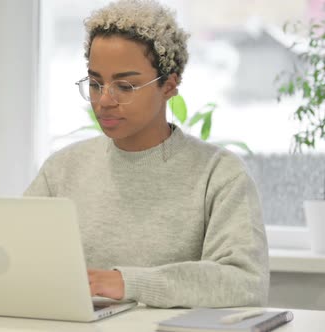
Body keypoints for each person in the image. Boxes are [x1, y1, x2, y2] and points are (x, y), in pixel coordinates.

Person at [24, 0, 269, 308]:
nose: (104, 101)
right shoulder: (62, 170)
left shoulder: (218, 173)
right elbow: (13, 257)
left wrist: (128, 283)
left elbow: (245, 283)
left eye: (125, 86)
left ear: (169, 85)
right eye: (96, 83)